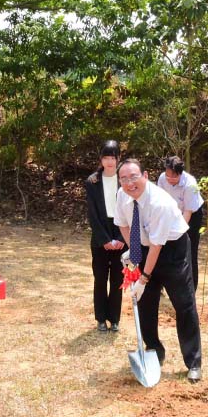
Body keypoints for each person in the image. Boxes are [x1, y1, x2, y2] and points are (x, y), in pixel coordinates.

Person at [113, 158, 203, 382]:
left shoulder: (159, 202)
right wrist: (133, 254)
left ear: (145, 176)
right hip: (145, 248)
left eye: (134, 177)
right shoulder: (122, 195)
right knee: (145, 306)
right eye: (123, 178)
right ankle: (154, 349)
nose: (129, 183)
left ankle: (193, 362)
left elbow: (157, 246)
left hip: (172, 250)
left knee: (184, 304)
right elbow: (122, 224)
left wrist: (143, 279)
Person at [85, 140, 126, 332]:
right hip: (100, 233)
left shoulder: (125, 179)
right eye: (106, 158)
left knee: (118, 279)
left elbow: (129, 211)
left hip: (120, 230)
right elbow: (92, 214)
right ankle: (101, 318)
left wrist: (120, 239)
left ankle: (115, 318)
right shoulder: (92, 181)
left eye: (113, 158)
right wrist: (105, 240)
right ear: (101, 159)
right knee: (100, 278)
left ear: (119, 159)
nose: (110, 162)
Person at [157, 156, 205, 292]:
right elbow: (160, 202)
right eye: (168, 176)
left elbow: (188, 212)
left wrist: (178, 234)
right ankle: (160, 285)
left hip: (191, 214)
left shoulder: (190, 184)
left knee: (189, 250)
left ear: (180, 173)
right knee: (162, 246)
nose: (170, 180)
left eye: (174, 177)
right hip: (171, 211)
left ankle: (191, 289)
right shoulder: (162, 178)